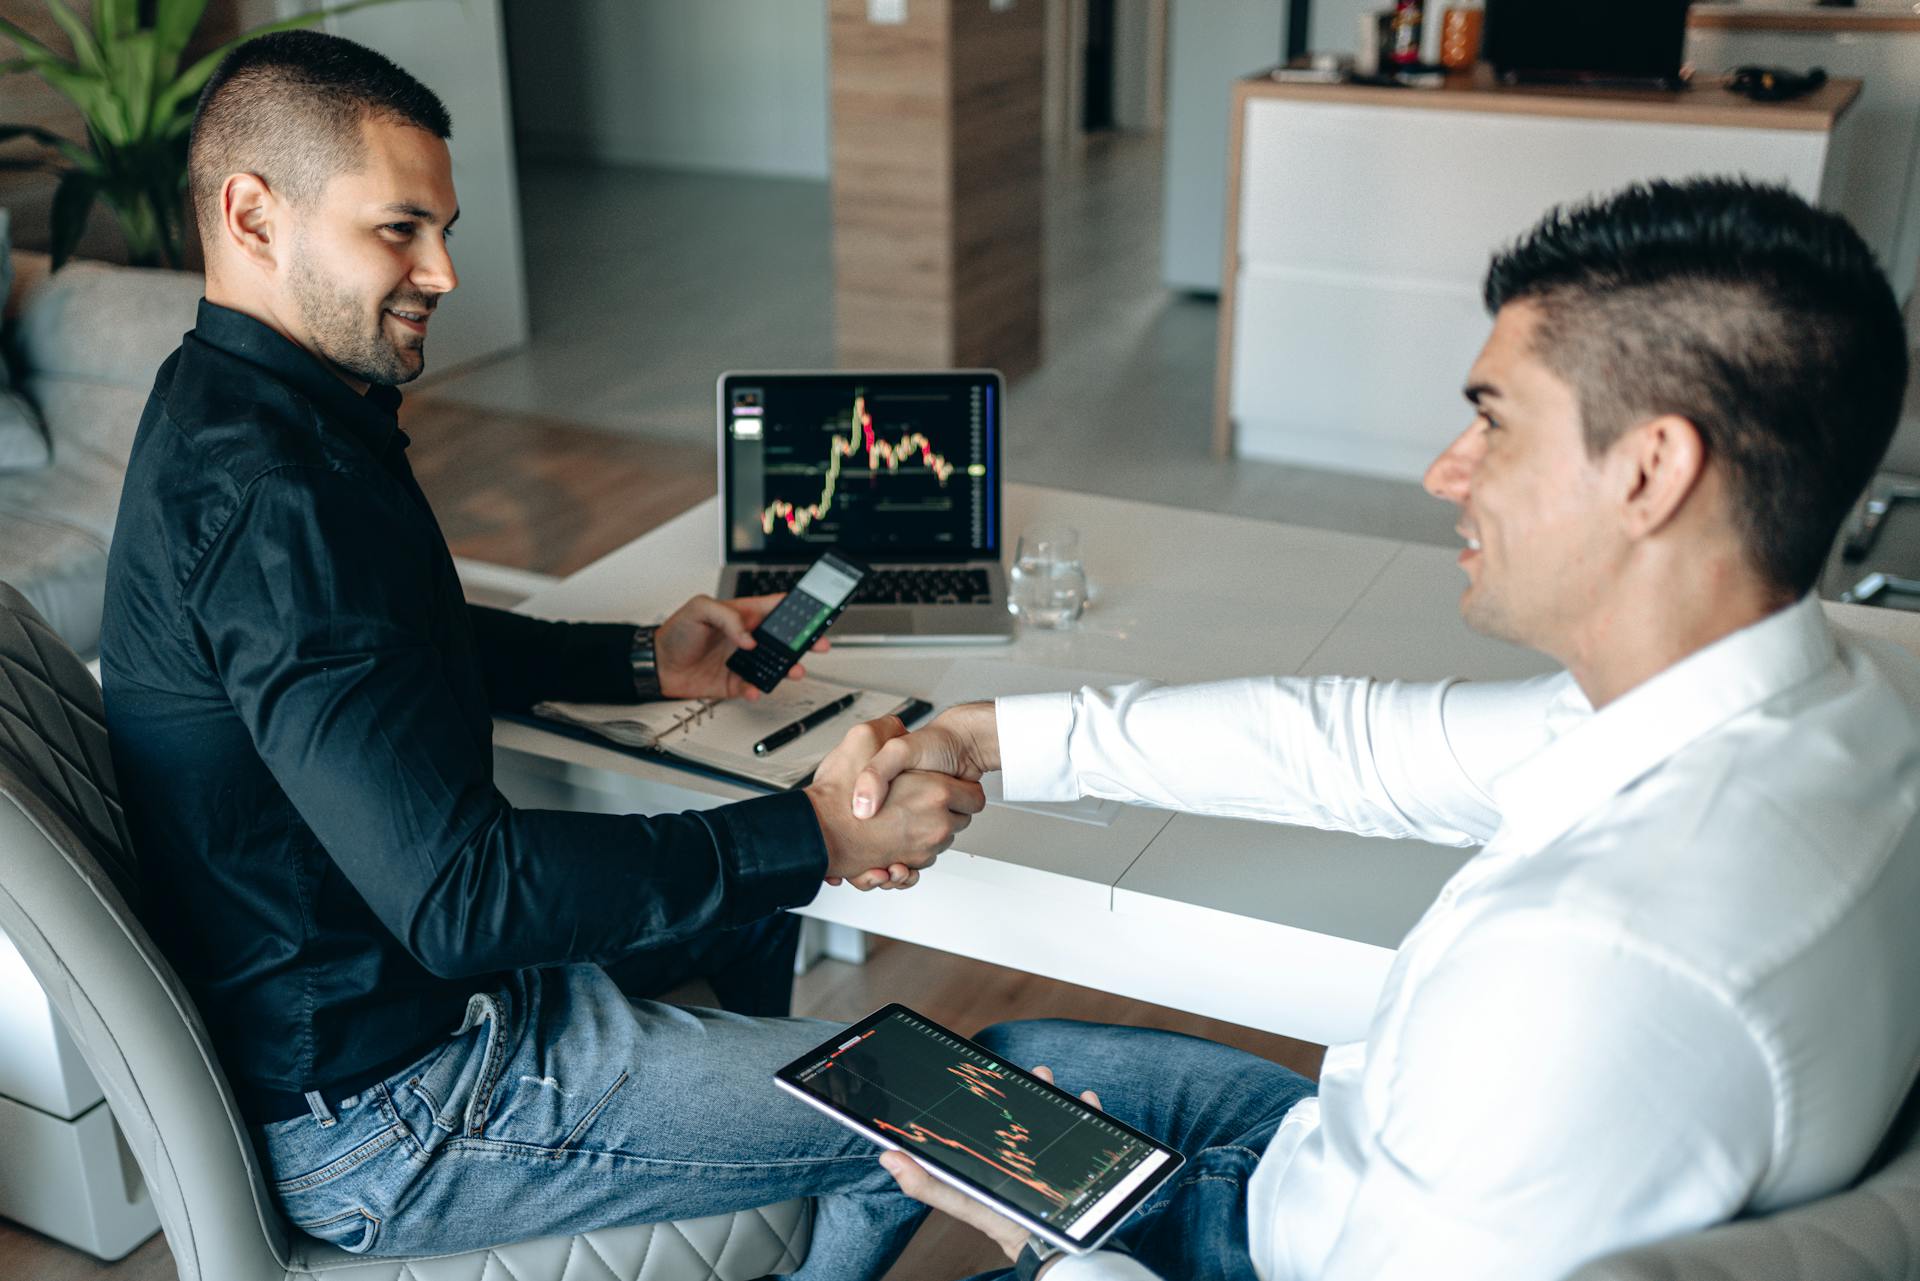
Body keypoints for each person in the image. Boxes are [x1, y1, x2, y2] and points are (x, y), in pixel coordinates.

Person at [852, 178, 1920, 1280]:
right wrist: (984, 738)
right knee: (984, 1067)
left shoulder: (1589, 969)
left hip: (1279, 1254)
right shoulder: (1843, 701)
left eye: (1494, 422)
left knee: (897, 1124)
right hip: (1332, 1170)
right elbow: (1348, 746)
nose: (1444, 470)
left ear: (1650, 470)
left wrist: (1044, 1241)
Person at [99, 31, 977, 1277]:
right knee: (956, 1098)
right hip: (403, 1109)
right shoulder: (275, 489)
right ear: (252, 214)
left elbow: (394, 647)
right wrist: (817, 835)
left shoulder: (241, 406)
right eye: (399, 229)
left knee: (749, 921)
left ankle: (768, 1171)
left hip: (396, 1019)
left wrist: (640, 661)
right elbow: (465, 901)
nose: (444, 270)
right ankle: (795, 1153)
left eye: (442, 227)